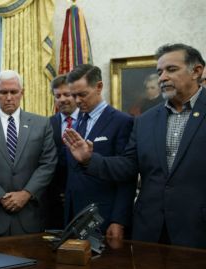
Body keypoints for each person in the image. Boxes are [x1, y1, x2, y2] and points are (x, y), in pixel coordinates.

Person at [63, 43, 206, 248]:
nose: (163, 77)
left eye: (171, 70)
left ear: (196, 71)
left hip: (197, 230)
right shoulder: (146, 120)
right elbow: (128, 166)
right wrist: (89, 159)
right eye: (159, 72)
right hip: (150, 230)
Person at [0, 70, 57, 238]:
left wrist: (26, 193)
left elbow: (48, 164)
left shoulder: (42, 124)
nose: (9, 97)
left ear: (22, 93)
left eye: (13, 92)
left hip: (30, 215)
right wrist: (0, 197)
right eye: (3, 92)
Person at [65, 64, 135, 239]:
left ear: (99, 87)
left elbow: (127, 176)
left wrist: (118, 220)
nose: (78, 101)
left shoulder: (122, 121)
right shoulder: (78, 120)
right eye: (74, 96)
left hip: (103, 215)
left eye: (82, 94)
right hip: (74, 213)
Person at [45, 74, 79, 229]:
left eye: (67, 94)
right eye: (57, 96)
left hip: (81, 197)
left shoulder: (89, 120)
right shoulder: (46, 124)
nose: (62, 99)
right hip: (54, 201)